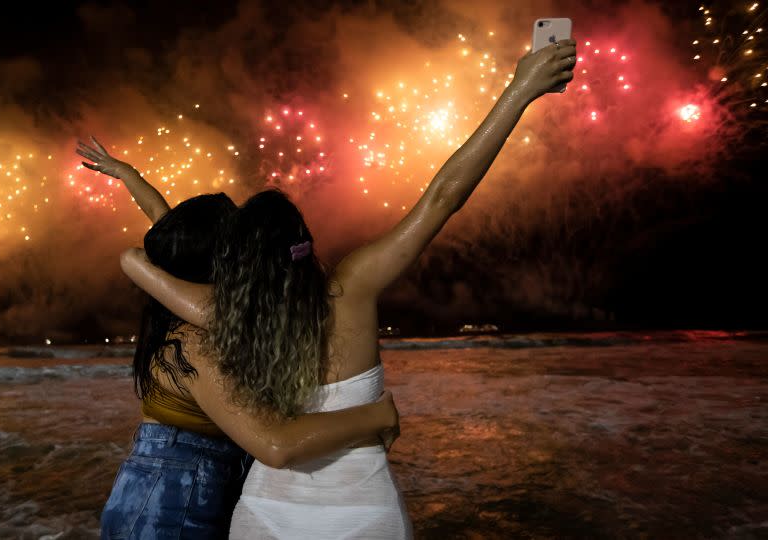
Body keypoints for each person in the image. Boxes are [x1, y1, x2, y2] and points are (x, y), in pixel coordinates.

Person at [118, 39, 577, 539]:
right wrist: (520, 91)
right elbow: (444, 197)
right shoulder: (352, 287)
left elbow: (148, 261)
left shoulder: (227, 313)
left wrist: (132, 189)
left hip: (264, 515)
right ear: (306, 242)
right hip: (362, 516)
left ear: (238, 267)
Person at [76, 138, 401, 539]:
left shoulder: (199, 304)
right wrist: (377, 416)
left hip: (194, 482)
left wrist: (129, 176)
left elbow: (164, 232)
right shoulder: (195, 340)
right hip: (171, 497)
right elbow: (276, 445)